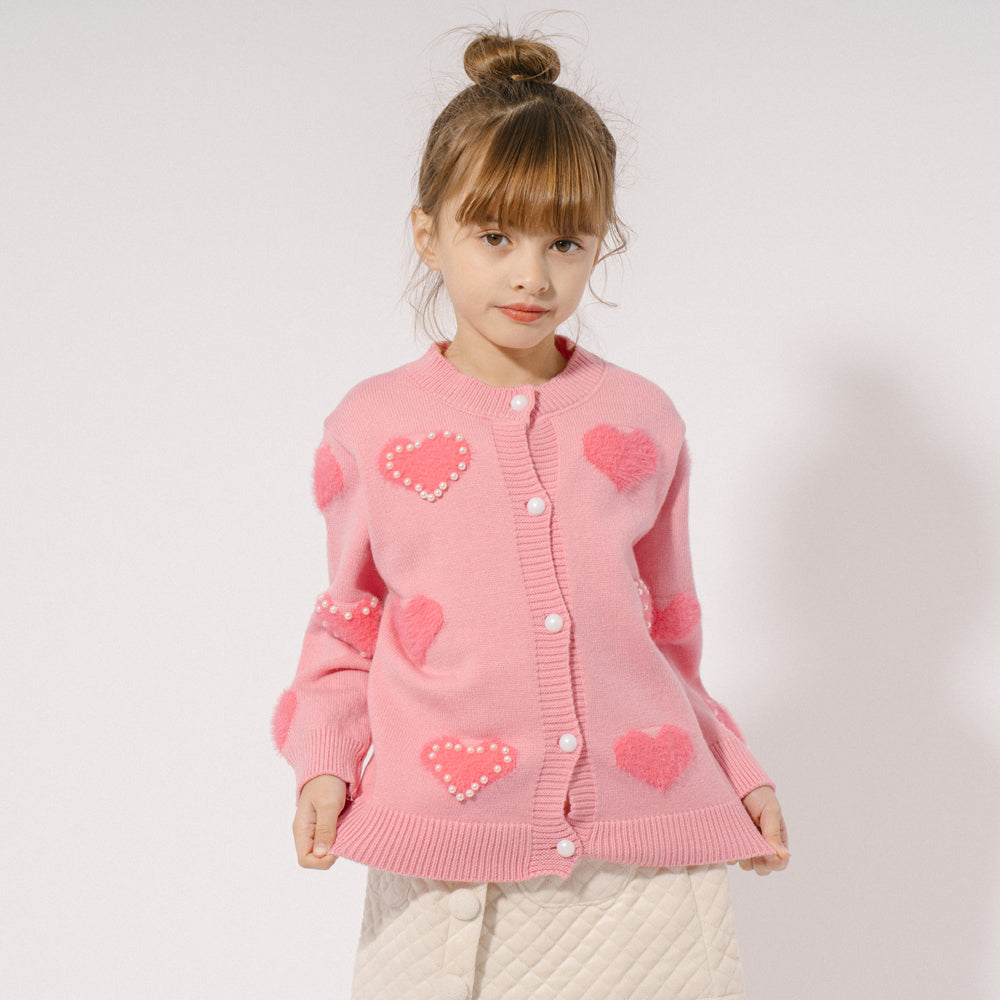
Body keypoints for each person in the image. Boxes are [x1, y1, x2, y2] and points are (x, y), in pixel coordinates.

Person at [272, 26, 790, 1000]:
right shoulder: (370, 427)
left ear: (602, 242)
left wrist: (738, 771)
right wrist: (323, 762)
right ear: (426, 233)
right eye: (495, 236)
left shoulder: (642, 421)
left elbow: (669, 638)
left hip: (645, 866)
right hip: (446, 853)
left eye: (565, 241)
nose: (532, 276)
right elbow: (348, 623)